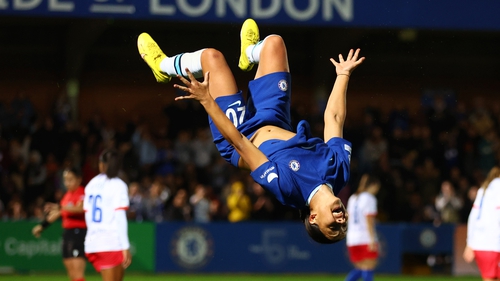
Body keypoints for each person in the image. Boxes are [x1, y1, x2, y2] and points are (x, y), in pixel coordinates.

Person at [137, 18, 364, 243]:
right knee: (274, 43)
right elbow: (334, 118)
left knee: (211, 57)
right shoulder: (340, 171)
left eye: (333, 226)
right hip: (274, 119)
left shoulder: (288, 189)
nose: (341, 220)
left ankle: (162, 66)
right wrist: (343, 75)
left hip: (239, 133)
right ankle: (249, 52)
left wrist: (207, 100)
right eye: (343, 224)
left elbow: (240, 144)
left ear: (313, 218)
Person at [84, 149, 131, 281]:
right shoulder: (118, 185)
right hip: (110, 243)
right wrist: (125, 246)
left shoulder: (91, 184)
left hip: (93, 242)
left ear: (102, 164)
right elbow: (120, 217)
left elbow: (87, 215)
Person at [32, 167, 87, 281]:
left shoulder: (82, 192)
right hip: (67, 234)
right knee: (71, 273)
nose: (67, 183)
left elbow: (81, 208)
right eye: (65, 180)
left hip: (78, 233)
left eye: (70, 179)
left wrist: (61, 207)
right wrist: (42, 226)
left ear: (79, 179)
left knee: (78, 273)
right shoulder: (67, 196)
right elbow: (58, 212)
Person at [463, 166, 500, 281]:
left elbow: (473, 217)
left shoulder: (483, 191)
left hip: (481, 245)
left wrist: (469, 244)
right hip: (495, 243)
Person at [345, 174, 381, 281]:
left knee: (361, 268)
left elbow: (348, 218)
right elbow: (369, 220)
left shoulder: (353, 198)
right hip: (365, 237)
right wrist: (372, 239)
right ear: (373, 185)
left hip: (352, 239)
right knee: (368, 268)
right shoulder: (369, 198)